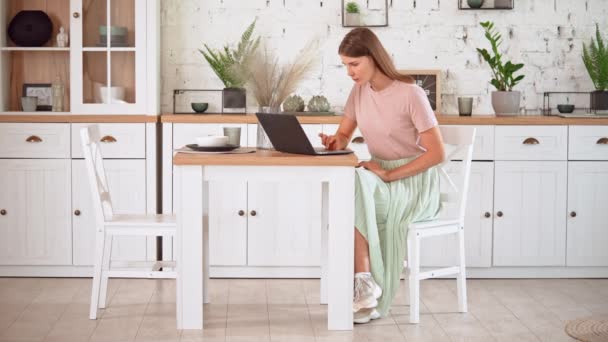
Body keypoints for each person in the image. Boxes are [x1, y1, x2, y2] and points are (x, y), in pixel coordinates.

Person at [319, 28, 445, 324]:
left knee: (355, 185)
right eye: (345, 65)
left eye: (354, 64)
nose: (349, 72)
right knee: (352, 183)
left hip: (413, 183)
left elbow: (437, 154)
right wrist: (333, 142)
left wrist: (389, 175)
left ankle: (362, 282)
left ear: (373, 57)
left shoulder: (411, 94)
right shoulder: (359, 91)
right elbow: (343, 136)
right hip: (378, 178)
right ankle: (363, 288)